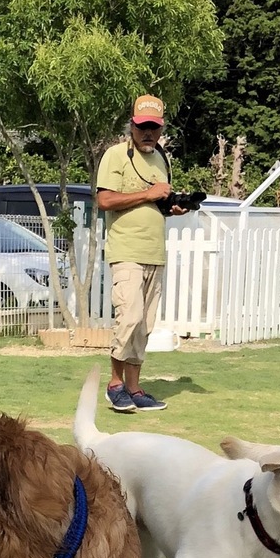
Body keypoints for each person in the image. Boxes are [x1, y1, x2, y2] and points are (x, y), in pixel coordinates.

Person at [96, 94, 184, 412]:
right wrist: (148, 193)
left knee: (144, 325)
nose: (148, 133)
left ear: (161, 129)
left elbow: (157, 202)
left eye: (154, 128)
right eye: (142, 126)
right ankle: (114, 384)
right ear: (132, 126)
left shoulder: (161, 159)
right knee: (129, 317)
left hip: (154, 253)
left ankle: (134, 389)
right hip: (127, 250)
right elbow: (104, 201)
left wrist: (172, 207)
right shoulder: (115, 155)